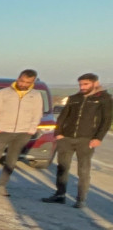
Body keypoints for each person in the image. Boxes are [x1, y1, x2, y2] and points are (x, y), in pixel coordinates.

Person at [43, 73, 111, 209]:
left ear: (95, 83)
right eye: (80, 84)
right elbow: (63, 116)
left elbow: (106, 120)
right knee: (62, 168)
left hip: (87, 140)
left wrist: (98, 138)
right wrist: (58, 133)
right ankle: (60, 195)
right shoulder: (74, 98)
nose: (82, 87)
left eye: (86, 84)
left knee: (83, 170)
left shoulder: (104, 99)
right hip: (66, 138)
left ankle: (81, 200)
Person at [0, 69, 46, 196]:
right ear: (18, 78)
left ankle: (1, 186)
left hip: (23, 133)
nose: (23, 84)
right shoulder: (3, 93)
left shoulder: (36, 95)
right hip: (2, 131)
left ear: (32, 82)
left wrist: (32, 129)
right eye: (22, 81)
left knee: (12, 160)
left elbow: (37, 113)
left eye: (27, 82)